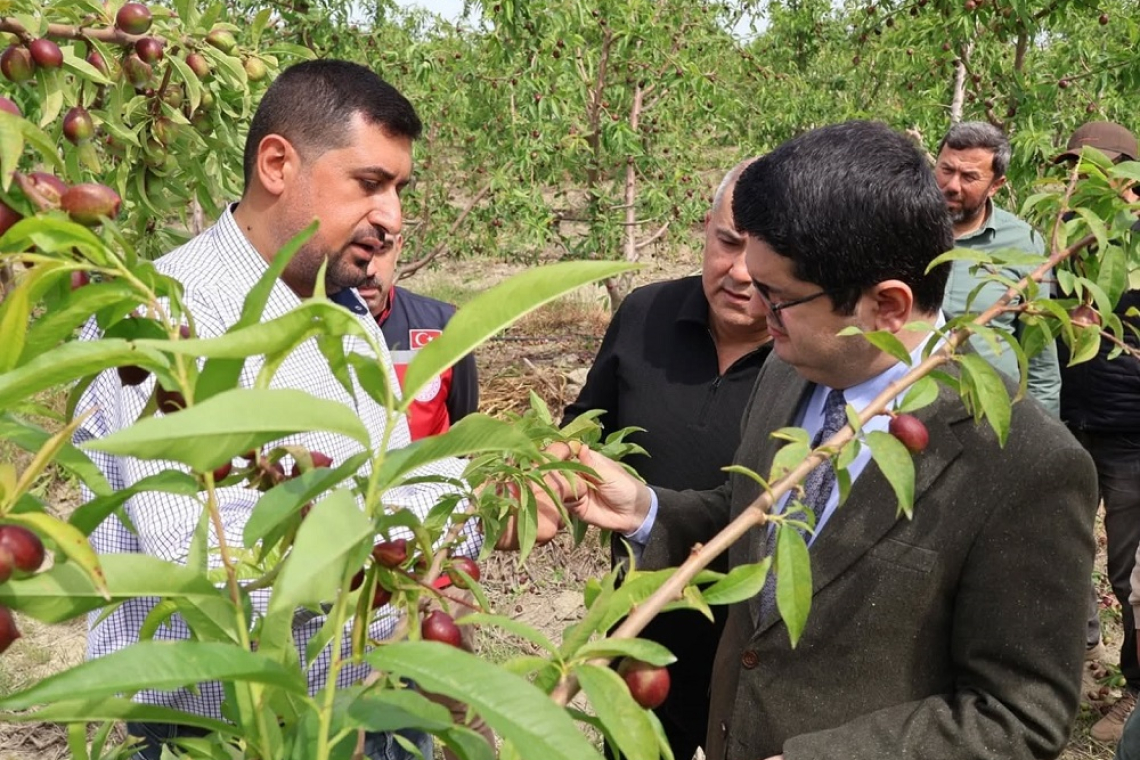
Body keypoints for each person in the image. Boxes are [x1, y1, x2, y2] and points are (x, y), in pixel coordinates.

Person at [557, 120, 1098, 760]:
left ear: (888, 307)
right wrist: (647, 510)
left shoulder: (1025, 465)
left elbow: (1019, 713)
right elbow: (763, 531)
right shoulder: (791, 374)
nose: (755, 309)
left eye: (777, 297)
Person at [72, 60, 554, 760]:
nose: (392, 218)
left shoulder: (345, 308)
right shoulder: (165, 320)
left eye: (399, 189)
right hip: (231, 733)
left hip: (368, 706)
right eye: (370, 184)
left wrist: (450, 513)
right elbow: (213, 567)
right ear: (277, 163)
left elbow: (410, 476)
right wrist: (417, 535)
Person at [562, 160, 772, 760]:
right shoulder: (644, 314)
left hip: (751, 645)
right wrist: (557, 459)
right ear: (705, 227)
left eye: (761, 255)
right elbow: (586, 423)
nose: (738, 272)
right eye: (727, 242)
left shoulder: (808, 364)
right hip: (641, 626)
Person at [1053, 121, 1140, 744]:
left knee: (1131, 573)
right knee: (1058, 552)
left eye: (1095, 170)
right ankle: (1073, 663)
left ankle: (1135, 691)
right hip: (1064, 426)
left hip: (1134, 435)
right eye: (1072, 170)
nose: (1080, 181)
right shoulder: (1058, 241)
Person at [934, 121, 1062, 415]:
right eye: (946, 170)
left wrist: (1043, 440)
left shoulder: (1023, 243)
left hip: (988, 416)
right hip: (910, 412)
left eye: (969, 177)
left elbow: (1040, 357)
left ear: (996, 185)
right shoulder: (900, 229)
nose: (952, 186)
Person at [356, 233, 479, 440]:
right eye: (358, 250)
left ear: (399, 247)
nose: (369, 269)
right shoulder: (308, 327)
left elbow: (464, 427)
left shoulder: (443, 325)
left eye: (381, 249)